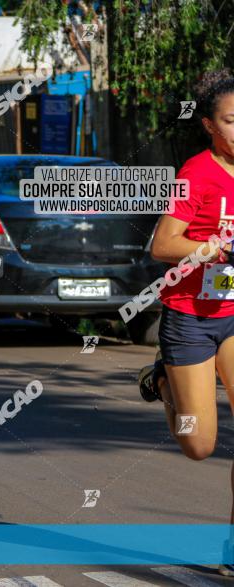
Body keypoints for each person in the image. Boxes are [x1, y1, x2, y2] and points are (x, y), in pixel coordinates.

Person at [137, 69, 234, 577]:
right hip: (190, 317)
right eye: (232, 121)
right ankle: (162, 380)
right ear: (208, 126)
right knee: (199, 444)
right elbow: (160, 246)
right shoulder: (196, 174)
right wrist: (210, 247)